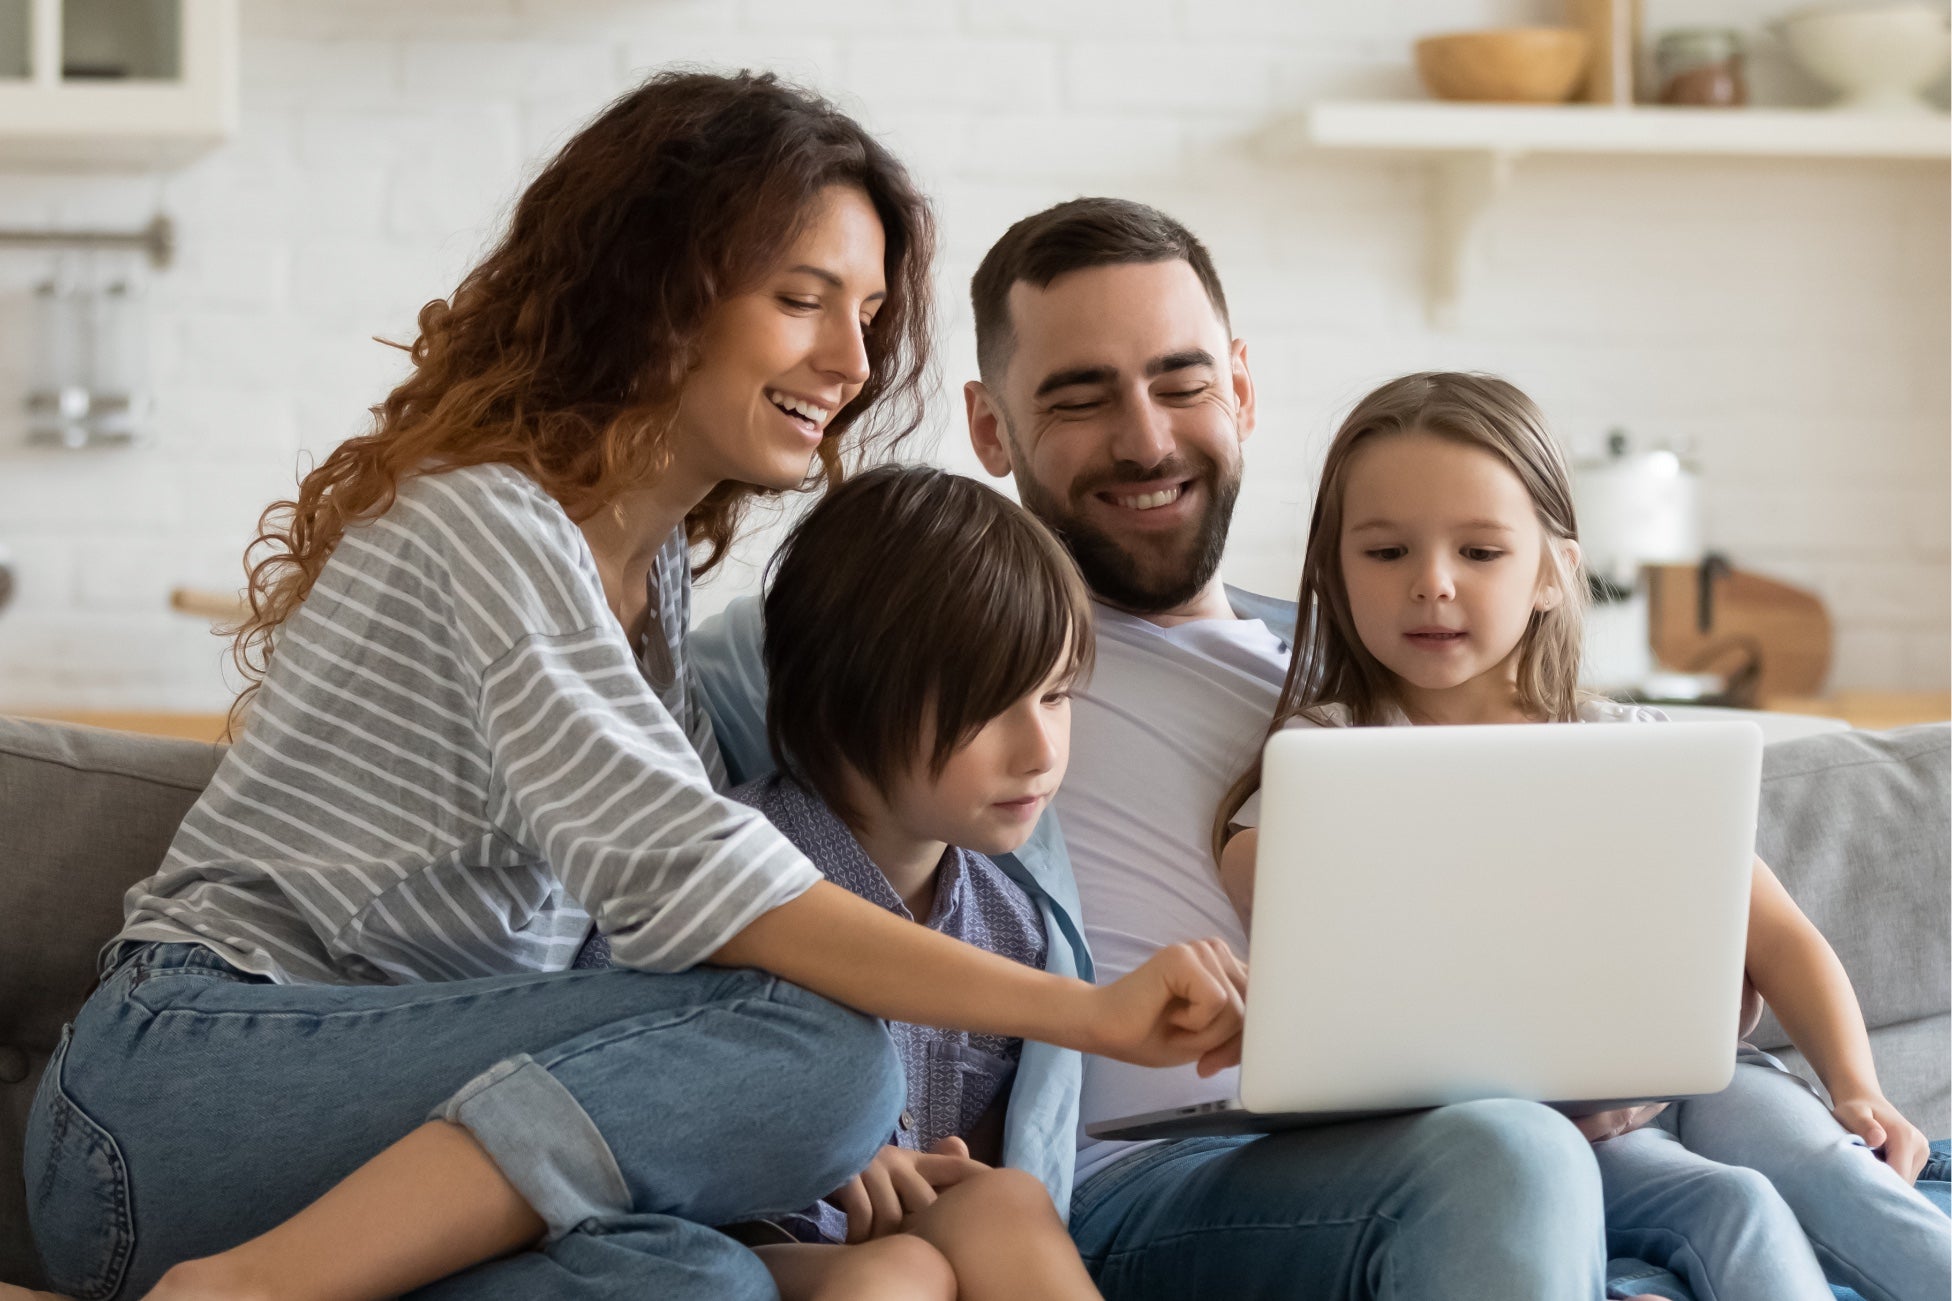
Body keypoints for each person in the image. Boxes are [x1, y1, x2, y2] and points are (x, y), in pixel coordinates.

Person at [13, 84, 1241, 1301]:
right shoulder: (484, 520)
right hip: (183, 1101)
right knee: (823, 1049)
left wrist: (804, 1144)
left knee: (702, 1282)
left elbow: (650, 956)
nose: (849, 360)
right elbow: (698, 887)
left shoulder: (649, 580)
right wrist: (1093, 1011)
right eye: (801, 300)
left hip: (407, 1160)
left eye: (866, 313)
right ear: (656, 292)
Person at [696, 196, 1614, 1298]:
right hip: (1120, 1181)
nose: (1145, 439)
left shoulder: (1378, 667)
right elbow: (677, 884)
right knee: (1507, 1152)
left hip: (1376, 1139)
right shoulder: (881, 634)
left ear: (1238, 386)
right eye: (1080, 398)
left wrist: (1604, 1058)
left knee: (1559, 1140)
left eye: (1180, 384)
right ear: (990, 427)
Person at [1212, 371, 1952, 1301]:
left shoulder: (1623, 746)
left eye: (1480, 550)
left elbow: (1783, 937)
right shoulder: (1331, 754)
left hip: (1701, 1074)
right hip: (1531, 1125)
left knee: (1834, 1172)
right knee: (1732, 1206)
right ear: (1333, 569)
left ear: (1553, 574)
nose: (1432, 582)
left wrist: (1856, 1086)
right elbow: (1266, 890)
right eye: (1387, 550)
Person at [726, 463, 1120, 1300]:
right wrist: (820, 1142)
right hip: (708, 1240)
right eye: (989, 707)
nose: (1041, 750)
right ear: (846, 702)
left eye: (1055, 696)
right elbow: (615, 1078)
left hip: (881, 1244)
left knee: (1002, 1199)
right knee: (900, 1271)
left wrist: (940, 1170)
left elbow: (962, 1159)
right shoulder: (725, 860)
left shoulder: (1009, 924)